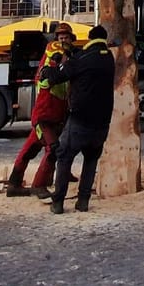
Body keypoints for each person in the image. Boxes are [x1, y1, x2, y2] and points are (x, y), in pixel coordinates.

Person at [48, 24, 114, 214]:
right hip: (102, 121)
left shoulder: (83, 58)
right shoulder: (109, 57)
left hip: (80, 119)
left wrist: (50, 70)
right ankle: (83, 200)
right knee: (91, 159)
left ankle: (58, 202)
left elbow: (59, 76)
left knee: (65, 157)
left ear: (89, 39)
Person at [8, 24, 73, 197]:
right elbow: (53, 56)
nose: (63, 40)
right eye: (61, 37)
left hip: (54, 116)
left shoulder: (66, 60)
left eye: (66, 37)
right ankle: (39, 185)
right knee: (53, 149)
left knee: (30, 149)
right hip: (44, 116)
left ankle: (14, 184)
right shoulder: (53, 56)